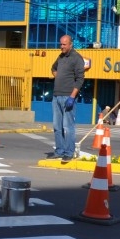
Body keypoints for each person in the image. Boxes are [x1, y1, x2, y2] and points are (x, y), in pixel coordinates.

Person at [48, 34, 85, 162]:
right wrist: (57, 76)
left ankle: (69, 152)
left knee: (68, 127)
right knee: (57, 126)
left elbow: (80, 79)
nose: (61, 46)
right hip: (56, 96)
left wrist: (72, 97)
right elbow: (53, 68)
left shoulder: (77, 58)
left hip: (68, 97)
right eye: (60, 44)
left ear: (70, 44)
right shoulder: (61, 57)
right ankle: (59, 151)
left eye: (64, 44)